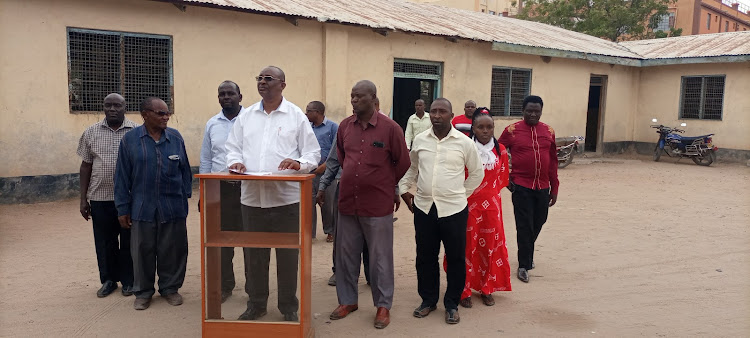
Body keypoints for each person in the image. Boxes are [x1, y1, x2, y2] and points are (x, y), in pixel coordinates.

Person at [225, 66, 320, 322]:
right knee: (254, 256)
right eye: (259, 78)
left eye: (269, 78)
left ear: (282, 85)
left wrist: (298, 164)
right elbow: (232, 148)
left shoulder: (296, 116)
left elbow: (312, 153)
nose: (263, 82)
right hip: (252, 200)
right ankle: (256, 305)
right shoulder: (246, 117)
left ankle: (288, 307)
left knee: (288, 256)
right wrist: (236, 163)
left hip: (286, 200)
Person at [329, 80, 410, 330]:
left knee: (380, 258)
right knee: (346, 256)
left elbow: (403, 162)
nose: (354, 100)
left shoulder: (390, 128)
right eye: (352, 96)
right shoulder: (344, 127)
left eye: (359, 97)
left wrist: (384, 184)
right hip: (347, 203)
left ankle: (383, 306)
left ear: (373, 98)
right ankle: (348, 301)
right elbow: (343, 157)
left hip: (377, 205)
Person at [399, 98, 484, 325]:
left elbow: (477, 173)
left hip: (454, 210)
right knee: (425, 257)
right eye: (434, 111)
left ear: (451, 115)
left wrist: (460, 194)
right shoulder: (420, 140)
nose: (437, 115)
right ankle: (428, 300)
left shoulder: (464, 143)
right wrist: (403, 188)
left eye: (442, 112)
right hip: (424, 208)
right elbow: (413, 168)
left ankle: (452, 304)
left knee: (455, 258)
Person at [114, 97, 192, 310]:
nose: (166, 117)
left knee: (173, 250)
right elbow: (121, 177)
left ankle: (170, 288)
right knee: (142, 251)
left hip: (173, 207)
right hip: (142, 207)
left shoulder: (175, 138)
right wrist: (123, 207)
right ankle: (143, 292)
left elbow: (185, 171)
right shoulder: (130, 140)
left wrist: (184, 198)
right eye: (160, 113)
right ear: (145, 114)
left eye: (167, 113)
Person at [77, 93, 137, 298]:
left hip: (129, 199)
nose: (112, 109)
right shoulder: (90, 132)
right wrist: (83, 199)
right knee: (104, 242)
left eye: (117, 105)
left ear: (125, 107)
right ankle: (109, 280)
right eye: (108, 105)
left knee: (129, 241)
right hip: (100, 197)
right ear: (103, 107)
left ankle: (129, 281)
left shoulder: (137, 131)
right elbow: (85, 166)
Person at [454, 109, 512, 308]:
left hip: (492, 209)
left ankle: (487, 288)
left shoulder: (501, 150)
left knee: (489, 247)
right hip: (468, 207)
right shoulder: (465, 149)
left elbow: (502, 179)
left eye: (489, 127)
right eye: (481, 127)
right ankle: (464, 289)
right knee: (467, 248)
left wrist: (490, 197)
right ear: (473, 128)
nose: (485, 131)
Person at [498, 95, 559, 283]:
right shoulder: (511, 130)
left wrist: (554, 187)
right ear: (523, 111)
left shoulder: (548, 131)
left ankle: (527, 251)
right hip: (521, 187)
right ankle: (524, 265)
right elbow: (498, 152)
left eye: (536, 111)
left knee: (539, 221)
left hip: (542, 186)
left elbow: (553, 162)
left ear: (541, 111)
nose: (533, 114)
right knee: (524, 226)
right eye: (529, 111)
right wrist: (506, 179)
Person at [199, 80, 244, 303]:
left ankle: (255, 289)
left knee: (250, 239)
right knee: (222, 241)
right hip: (219, 189)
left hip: (247, 190)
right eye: (222, 94)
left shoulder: (250, 121)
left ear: (240, 97)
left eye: (230, 93)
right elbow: (206, 158)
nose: (226, 97)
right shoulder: (212, 124)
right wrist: (204, 191)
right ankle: (226, 285)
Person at [315, 139, 371, 287]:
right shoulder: (345, 129)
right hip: (345, 188)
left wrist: (393, 189)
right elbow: (333, 161)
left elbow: (397, 162)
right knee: (342, 235)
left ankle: (372, 273)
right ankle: (340, 272)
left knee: (371, 234)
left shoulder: (387, 128)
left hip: (373, 191)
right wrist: (323, 185)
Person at [306, 101, 338, 241]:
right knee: (309, 204)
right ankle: (309, 233)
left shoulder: (333, 127)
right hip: (310, 173)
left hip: (328, 173)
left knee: (327, 204)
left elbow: (336, 150)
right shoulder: (307, 128)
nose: (305, 113)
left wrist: (325, 166)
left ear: (318, 112)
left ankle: (330, 231)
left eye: (308, 111)